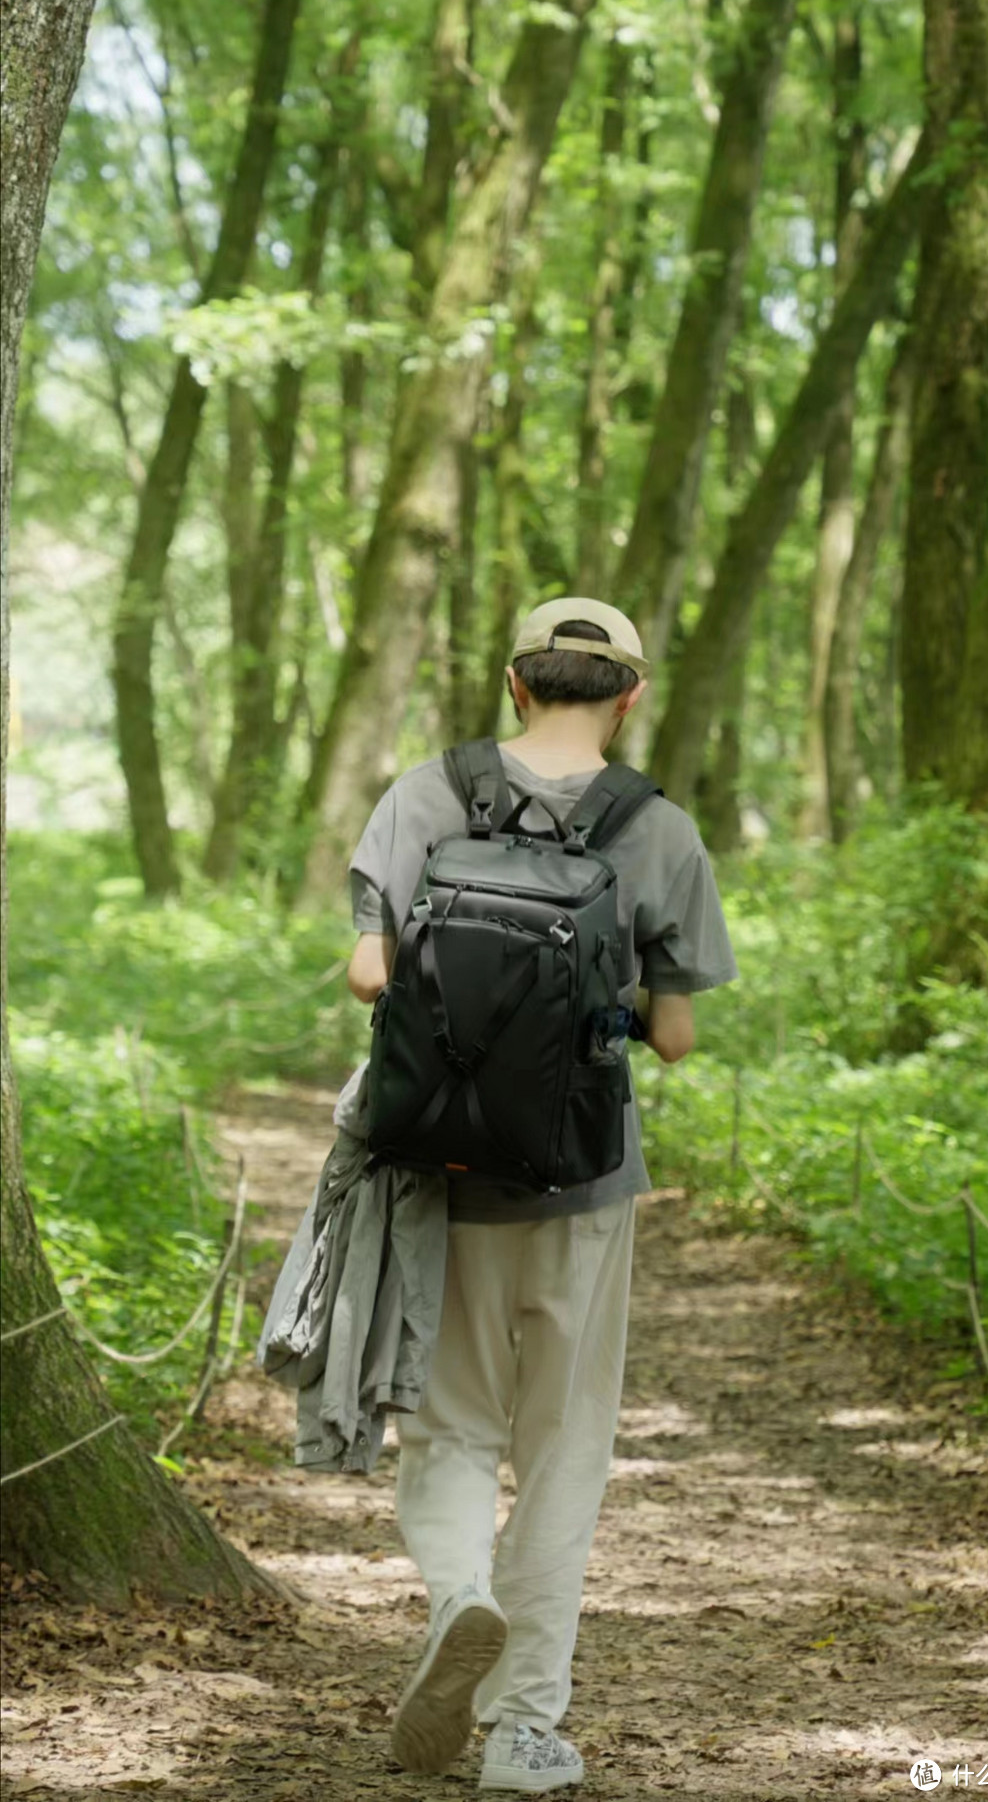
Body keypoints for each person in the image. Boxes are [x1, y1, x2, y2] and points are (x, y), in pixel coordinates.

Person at [346, 597, 737, 1794]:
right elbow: (672, 1036)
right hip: (587, 1177)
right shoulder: (659, 828)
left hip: (441, 1175)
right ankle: (523, 1729)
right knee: (564, 1446)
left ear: (516, 684)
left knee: (453, 1423)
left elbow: (370, 972)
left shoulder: (425, 793)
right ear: (630, 695)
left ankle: (460, 1597)